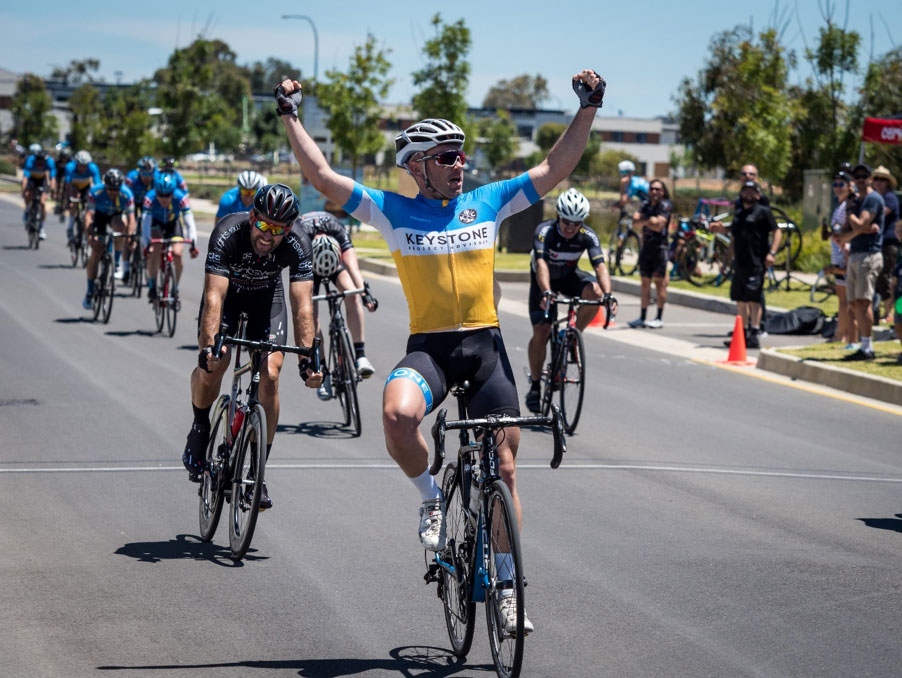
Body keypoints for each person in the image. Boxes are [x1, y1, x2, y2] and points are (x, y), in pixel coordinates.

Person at [277, 68, 606, 634]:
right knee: (396, 415)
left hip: (486, 349)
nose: (460, 164)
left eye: (461, 155)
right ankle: (431, 497)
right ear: (418, 165)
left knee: (504, 467)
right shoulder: (392, 211)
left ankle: (507, 584)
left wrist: (590, 108)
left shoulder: (488, 201)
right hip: (430, 349)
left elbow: (555, 169)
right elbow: (321, 175)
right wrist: (290, 115)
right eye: (448, 156)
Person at [182, 184, 323, 510]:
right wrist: (208, 348)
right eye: (262, 225)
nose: (268, 235)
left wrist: (308, 358)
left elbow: (303, 304)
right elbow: (214, 297)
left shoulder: (299, 243)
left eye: (277, 230)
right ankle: (200, 427)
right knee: (216, 362)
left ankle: (257, 473)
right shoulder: (227, 232)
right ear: (251, 217)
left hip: (266, 301)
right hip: (229, 299)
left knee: (271, 373)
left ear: (288, 230)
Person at [524, 188, 614, 412]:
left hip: (568, 276)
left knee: (595, 292)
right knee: (542, 331)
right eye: (566, 221)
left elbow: (600, 266)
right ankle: (535, 385)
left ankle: (573, 336)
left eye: (576, 223)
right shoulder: (545, 231)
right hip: (543, 280)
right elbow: (542, 264)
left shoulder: (587, 235)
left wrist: (609, 294)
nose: (571, 227)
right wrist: (546, 292)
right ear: (558, 216)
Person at [296, 210, 378, 392]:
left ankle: (360, 356)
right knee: (310, 314)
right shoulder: (300, 236)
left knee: (352, 294)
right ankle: (322, 368)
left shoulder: (337, 230)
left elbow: (353, 268)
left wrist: (365, 295)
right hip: (310, 268)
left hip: (334, 261)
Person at [711, 181, 781, 349]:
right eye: (745, 191)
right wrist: (726, 260)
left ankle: (755, 333)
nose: (748, 195)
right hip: (740, 262)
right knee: (740, 299)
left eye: (752, 192)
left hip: (756, 261)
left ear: (758, 195)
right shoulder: (739, 212)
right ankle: (741, 334)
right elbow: (734, 236)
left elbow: (777, 231)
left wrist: (772, 253)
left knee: (754, 298)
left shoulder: (763, 211)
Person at [834, 163, 884, 361]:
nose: (861, 179)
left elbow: (861, 224)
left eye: (864, 176)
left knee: (864, 302)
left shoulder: (872, 199)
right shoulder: (856, 200)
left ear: (870, 178)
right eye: (857, 176)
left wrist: (853, 219)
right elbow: (844, 235)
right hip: (855, 253)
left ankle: (867, 347)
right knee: (854, 303)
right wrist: (855, 230)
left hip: (868, 255)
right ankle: (861, 346)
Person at [82, 169, 136, 309]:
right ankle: (89, 290)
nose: (112, 192)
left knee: (121, 229)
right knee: (97, 250)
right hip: (99, 217)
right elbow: (88, 216)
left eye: (116, 189)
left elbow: (131, 219)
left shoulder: (126, 194)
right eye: (110, 189)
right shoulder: (96, 192)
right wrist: (89, 235)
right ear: (105, 185)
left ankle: (117, 261)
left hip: (115, 216)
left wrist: (130, 238)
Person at [141, 173, 198, 301]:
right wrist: (146, 245)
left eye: (167, 195)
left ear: (173, 192)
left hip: (173, 224)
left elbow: (189, 223)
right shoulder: (149, 198)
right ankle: (152, 285)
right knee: (155, 247)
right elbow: (145, 225)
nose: (164, 199)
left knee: (177, 254)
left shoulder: (181, 198)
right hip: (155, 225)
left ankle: (175, 288)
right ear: (156, 192)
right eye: (161, 195)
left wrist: (193, 243)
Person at [628, 179, 673, 329]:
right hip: (646, 247)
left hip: (660, 248)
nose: (654, 192)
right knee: (645, 283)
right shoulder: (645, 205)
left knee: (659, 283)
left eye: (657, 189)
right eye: (652, 189)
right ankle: (642, 316)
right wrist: (649, 221)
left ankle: (659, 317)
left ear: (663, 191)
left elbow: (659, 225)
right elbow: (634, 221)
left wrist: (644, 221)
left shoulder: (665, 206)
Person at [820, 169, 858, 349]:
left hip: (846, 255)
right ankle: (842, 333)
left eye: (841, 184)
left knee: (847, 301)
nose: (837, 188)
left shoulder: (849, 205)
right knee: (842, 300)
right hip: (838, 255)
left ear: (849, 185)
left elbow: (849, 231)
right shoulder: (839, 205)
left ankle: (843, 335)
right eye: (835, 184)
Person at [871, 166, 899, 324]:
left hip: (889, 245)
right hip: (878, 244)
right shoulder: (875, 197)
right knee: (878, 278)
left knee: (887, 277)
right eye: (876, 179)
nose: (879, 182)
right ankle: (882, 310)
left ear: (888, 183)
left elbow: (880, 213)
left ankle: (889, 312)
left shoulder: (889, 197)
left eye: (883, 180)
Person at [64, 150, 102, 244]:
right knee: (74, 202)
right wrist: (69, 199)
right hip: (74, 186)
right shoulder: (70, 167)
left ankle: (86, 231)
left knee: (89, 205)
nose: (82, 168)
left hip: (86, 186)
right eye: (80, 165)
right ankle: (70, 227)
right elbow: (68, 186)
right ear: (76, 163)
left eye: (85, 166)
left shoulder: (93, 167)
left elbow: (98, 186)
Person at [21, 145, 56, 239]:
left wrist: (52, 190)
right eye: (38, 160)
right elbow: (25, 178)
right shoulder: (30, 160)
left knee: (43, 203)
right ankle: (27, 210)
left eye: (42, 161)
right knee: (28, 195)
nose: (40, 162)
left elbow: (53, 178)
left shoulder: (49, 161)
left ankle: (41, 228)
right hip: (32, 179)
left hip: (42, 180)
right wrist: (23, 190)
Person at [125, 156, 158, 221]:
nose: (146, 178)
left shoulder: (158, 178)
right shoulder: (132, 177)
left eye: (149, 175)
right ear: (139, 171)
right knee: (131, 220)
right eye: (144, 174)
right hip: (133, 200)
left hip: (149, 201)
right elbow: (126, 195)